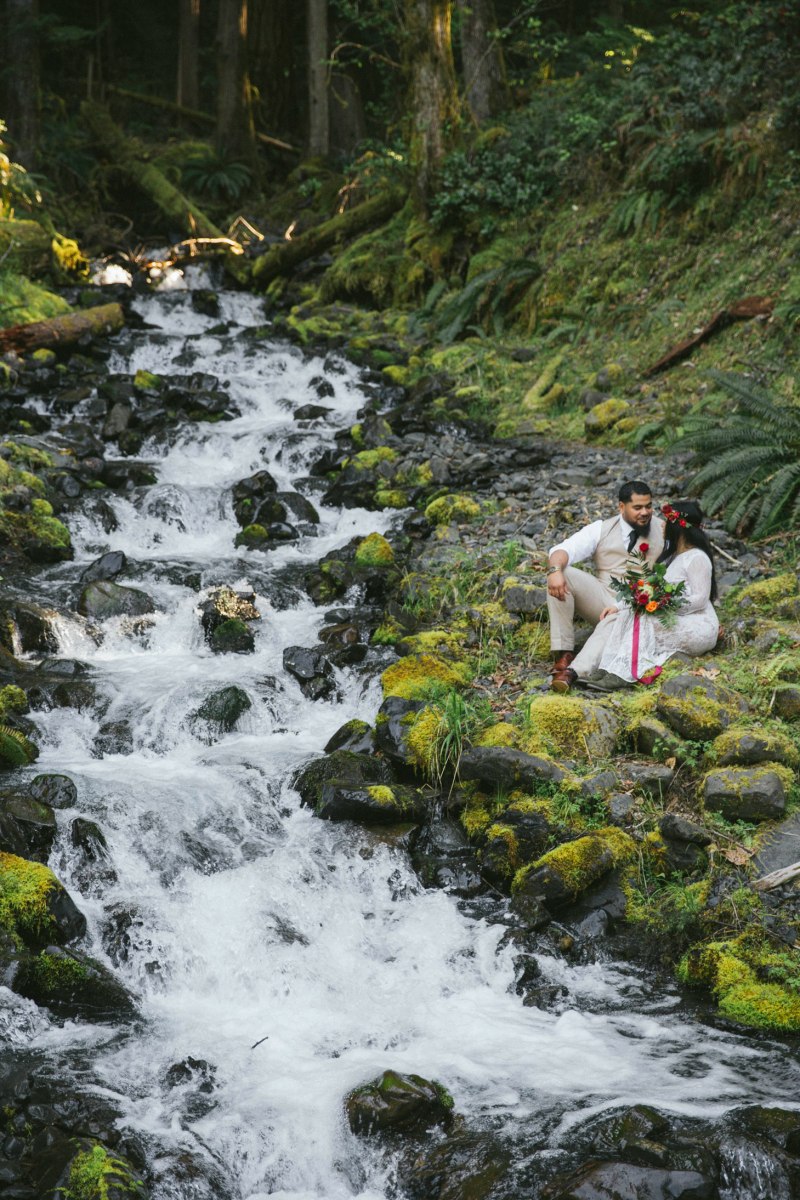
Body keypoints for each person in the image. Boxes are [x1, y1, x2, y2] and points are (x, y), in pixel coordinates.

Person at [568, 499, 719, 690]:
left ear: (677, 526)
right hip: (674, 615)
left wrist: (665, 603)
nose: (662, 525)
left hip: (697, 624)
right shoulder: (670, 559)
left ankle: (623, 673)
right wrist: (618, 606)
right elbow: (648, 588)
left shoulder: (697, 557)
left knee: (642, 621)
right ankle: (608, 667)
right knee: (626, 615)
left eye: (666, 521)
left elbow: (700, 599)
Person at [546, 480, 665, 692]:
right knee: (562, 571)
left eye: (648, 506)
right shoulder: (601, 529)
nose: (645, 512)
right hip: (602, 598)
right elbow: (564, 550)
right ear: (621, 507)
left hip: (639, 608)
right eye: (637, 507)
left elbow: (685, 567)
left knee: (618, 618)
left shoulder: (664, 530)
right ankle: (564, 652)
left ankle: (574, 672)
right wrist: (554, 572)